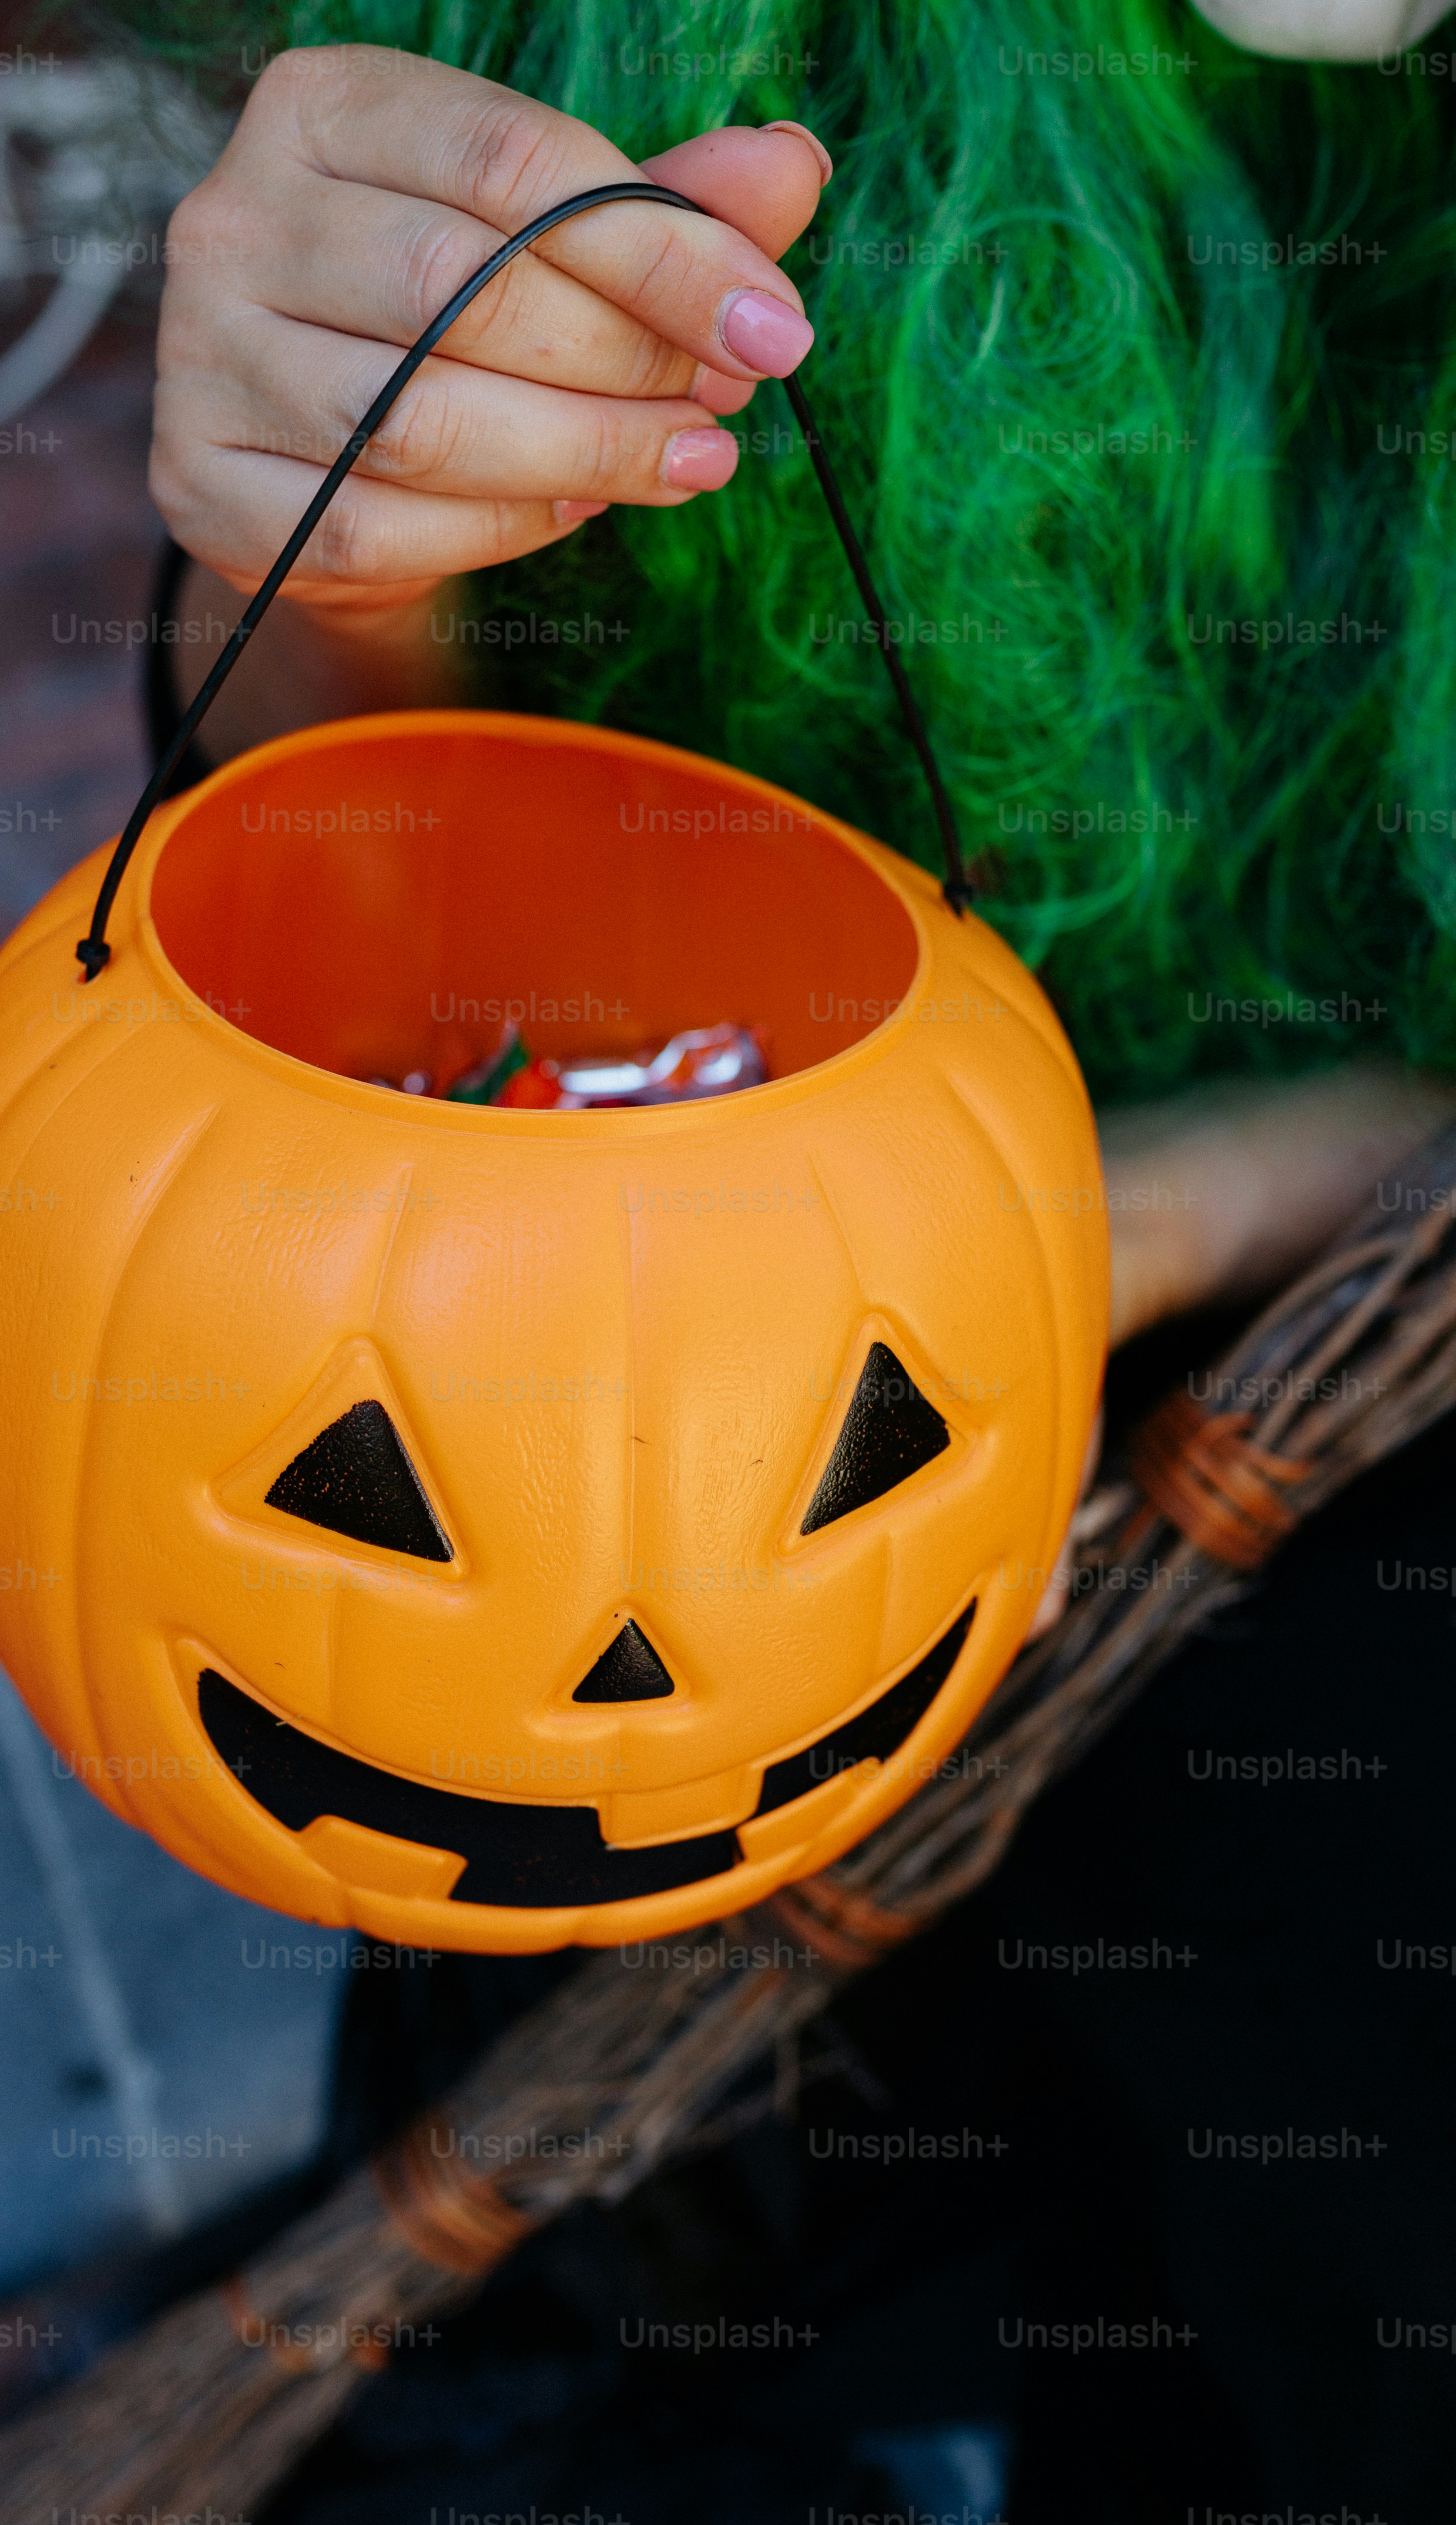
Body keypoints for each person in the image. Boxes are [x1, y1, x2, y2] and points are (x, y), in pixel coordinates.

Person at [112, 2, 1456, 2512]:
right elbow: (307, 889)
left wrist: (1104, 1221)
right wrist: (314, 532)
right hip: (642, 1499)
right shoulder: (644, 63)